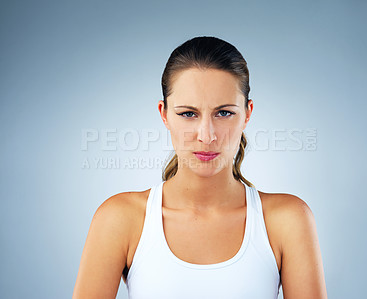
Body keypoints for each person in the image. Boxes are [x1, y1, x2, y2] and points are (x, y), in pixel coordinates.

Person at [72, 36, 328, 299]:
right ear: (164, 114)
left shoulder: (287, 221)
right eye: (188, 114)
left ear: (247, 114)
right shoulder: (120, 219)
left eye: (224, 113)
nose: (207, 136)